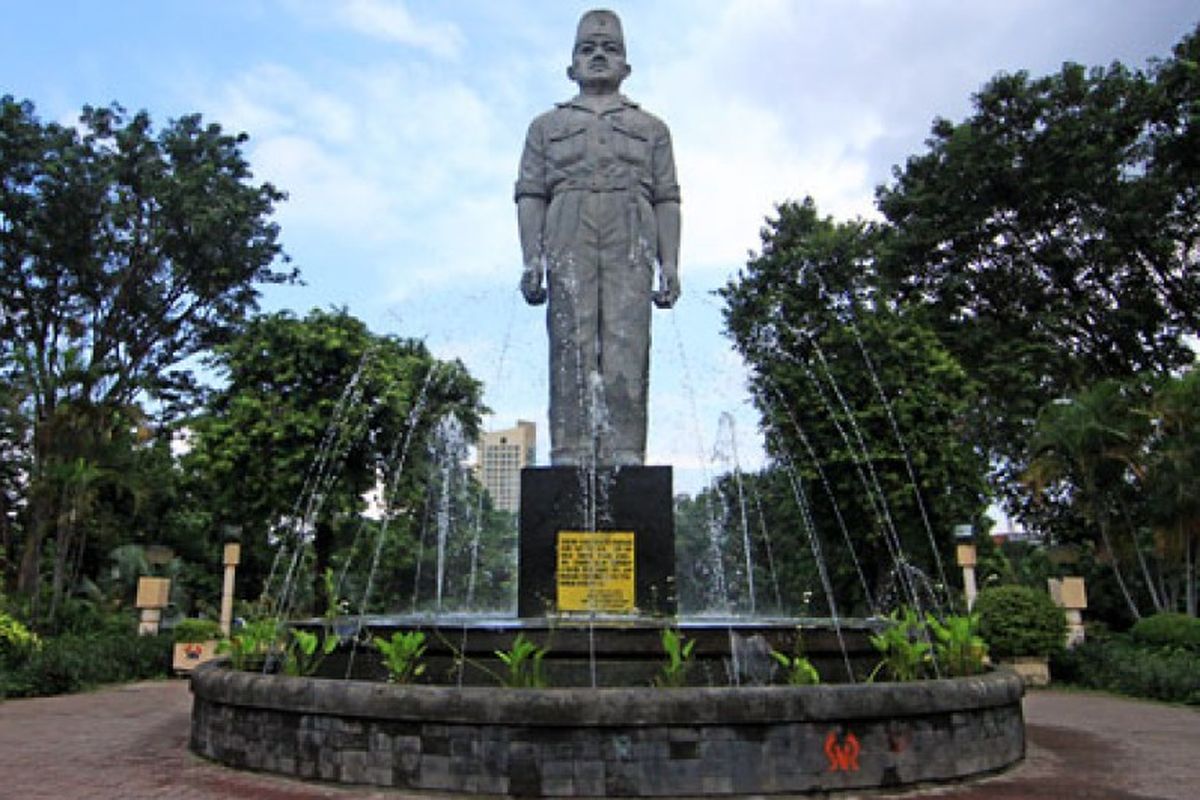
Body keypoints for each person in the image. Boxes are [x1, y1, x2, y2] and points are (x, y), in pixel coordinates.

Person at [515, 9, 681, 467]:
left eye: (610, 49)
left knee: (629, 338)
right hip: (568, 224)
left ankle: (626, 451)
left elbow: (667, 197)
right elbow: (531, 193)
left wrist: (670, 263)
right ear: (571, 66)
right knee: (572, 336)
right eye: (587, 49)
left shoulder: (653, 129)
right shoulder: (545, 127)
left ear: (627, 65)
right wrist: (532, 258)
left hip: (632, 225)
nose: (599, 56)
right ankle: (569, 449)